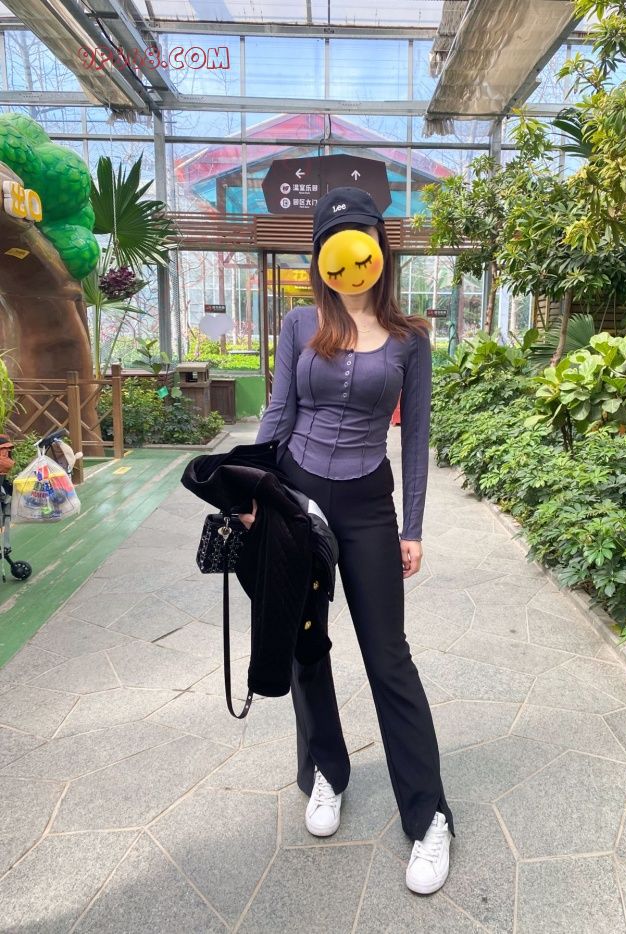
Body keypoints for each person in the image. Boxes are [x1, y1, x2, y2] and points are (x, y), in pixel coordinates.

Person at [246, 187, 455, 895]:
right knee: (305, 642)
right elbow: (279, 410)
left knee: (388, 657)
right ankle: (325, 773)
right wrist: (255, 493)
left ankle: (429, 816)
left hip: (368, 503)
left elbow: (417, 436)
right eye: (331, 244)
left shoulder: (409, 338)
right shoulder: (300, 321)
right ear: (319, 256)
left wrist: (412, 526)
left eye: (360, 240)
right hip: (299, 494)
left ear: (379, 248)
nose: (347, 258)